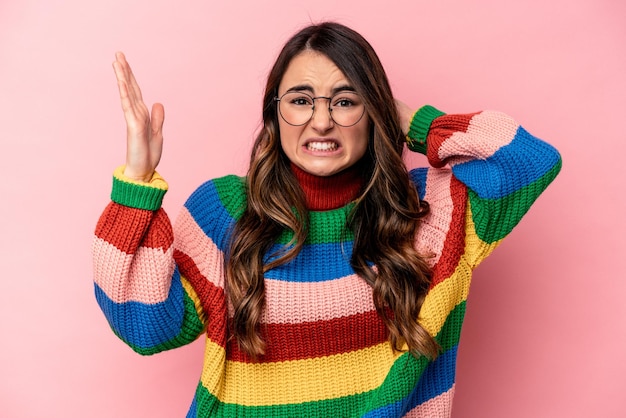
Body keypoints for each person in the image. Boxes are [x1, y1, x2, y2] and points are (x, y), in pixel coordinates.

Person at [93, 22, 561, 417]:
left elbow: (528, 160)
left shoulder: (427, 212)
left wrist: (405, 117)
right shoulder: (226, 211)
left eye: (345, 100)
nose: (321, 122)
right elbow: (145, 327)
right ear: (275, 115)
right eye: (300, 100)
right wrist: (137, 181)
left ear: (372, 111)